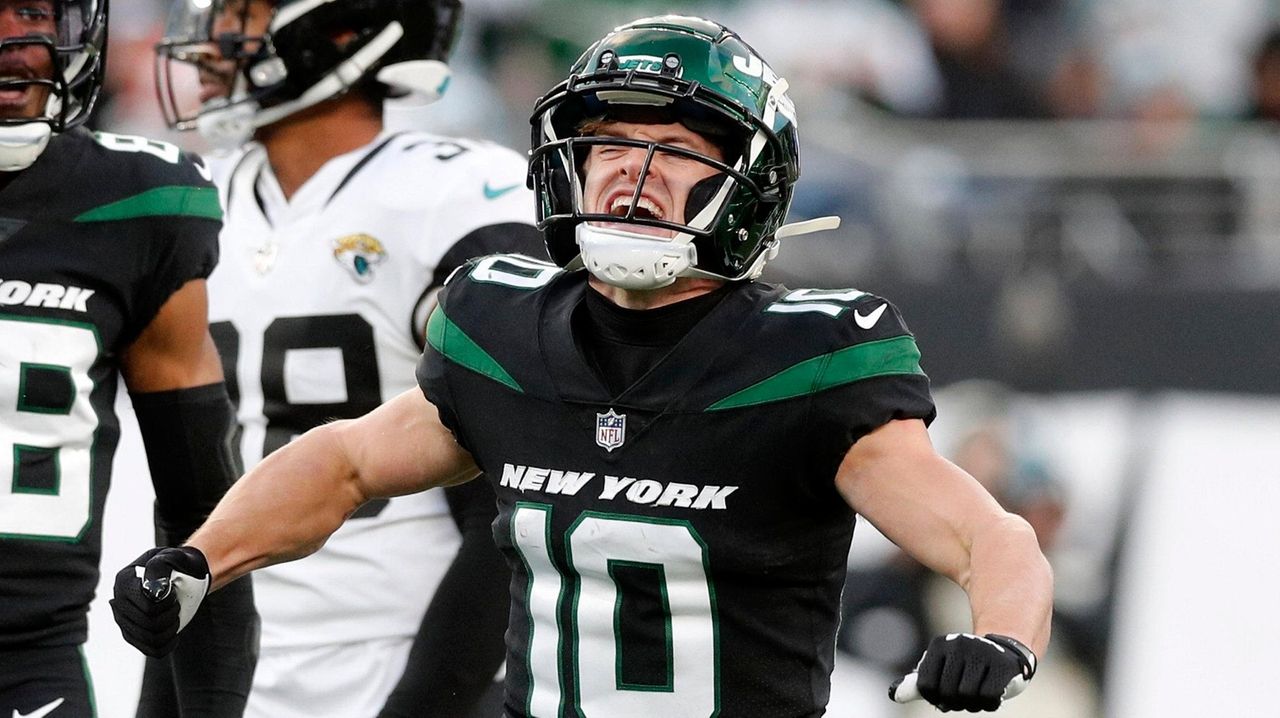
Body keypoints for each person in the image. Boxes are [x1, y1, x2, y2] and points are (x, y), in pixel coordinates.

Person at [112, 14, 1054, 716]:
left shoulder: (808, 358)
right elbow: (344, 463)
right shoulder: (501, 324)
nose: (629, 172)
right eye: (608, 143)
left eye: (674, 149)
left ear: (750, 186)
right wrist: (201, 559)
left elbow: (988, 537)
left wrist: (1001, 637)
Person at [134, 0, 544, 716]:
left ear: (343, 28)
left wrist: (431, 700)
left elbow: (520, 490)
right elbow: (182, 501)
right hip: (226, 658)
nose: (208, 39)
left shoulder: (455, 196)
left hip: (402, 647)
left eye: (244, 14)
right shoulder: (194, 198)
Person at [0, 0, 257, 716]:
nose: (16, 43)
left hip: (26, 674)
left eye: (32, 10)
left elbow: (203, 518)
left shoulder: (137, 206)